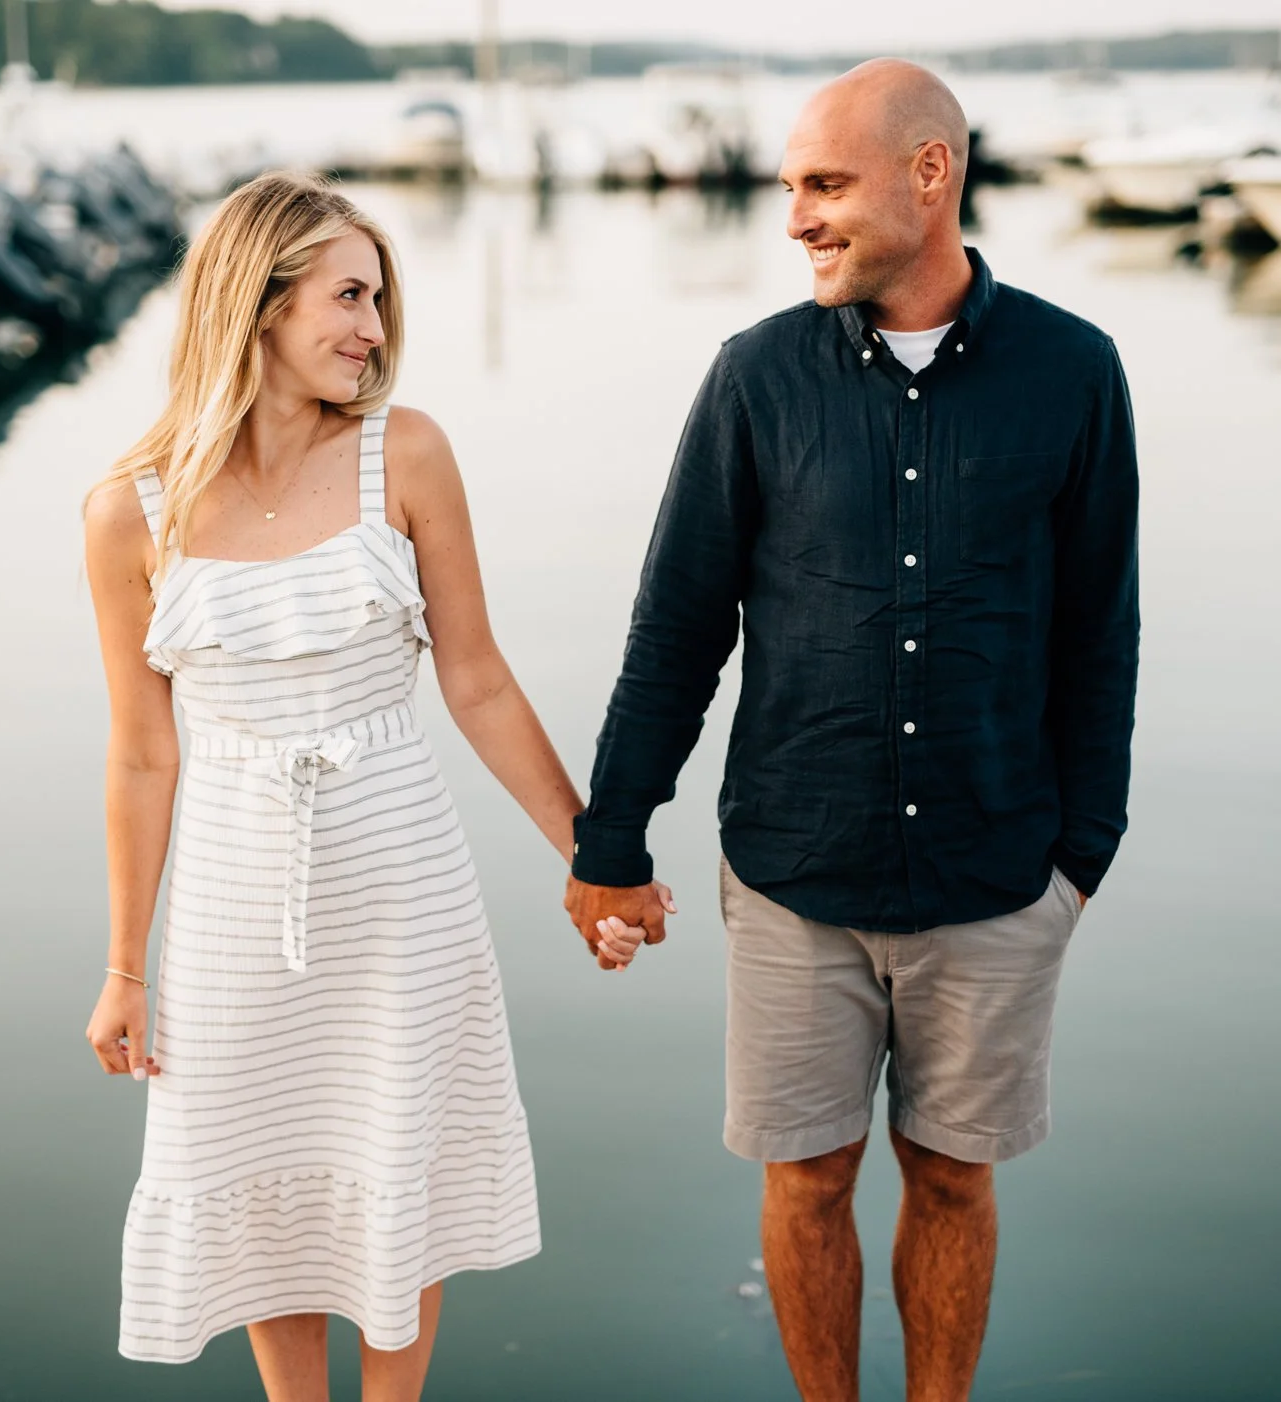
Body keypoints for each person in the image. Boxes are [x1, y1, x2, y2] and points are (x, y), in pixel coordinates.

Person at [563, 61, 1141, 1402]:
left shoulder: (1075, 372)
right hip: (792, 872)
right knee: (806, 1174)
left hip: (1001, 871)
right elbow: (677, 630)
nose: (797, 218)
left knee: (952, 1171)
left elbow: (1098, 634)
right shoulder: (755, 379)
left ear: (929, 173)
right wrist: (610, 836)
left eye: (825, 184)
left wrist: (1083, 854)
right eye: (791, 189)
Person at [82, 171, 664, 1402]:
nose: (374, 329)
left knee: (393, 1162)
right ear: (259, 304)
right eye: (349, 296)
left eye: (380, 300)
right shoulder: (127, 513)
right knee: (263, 1176)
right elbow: (143, 752)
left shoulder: (405, 454)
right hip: (235, 907)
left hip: (400, 888)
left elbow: (480, 682)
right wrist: (126, 963)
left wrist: (592, 855)